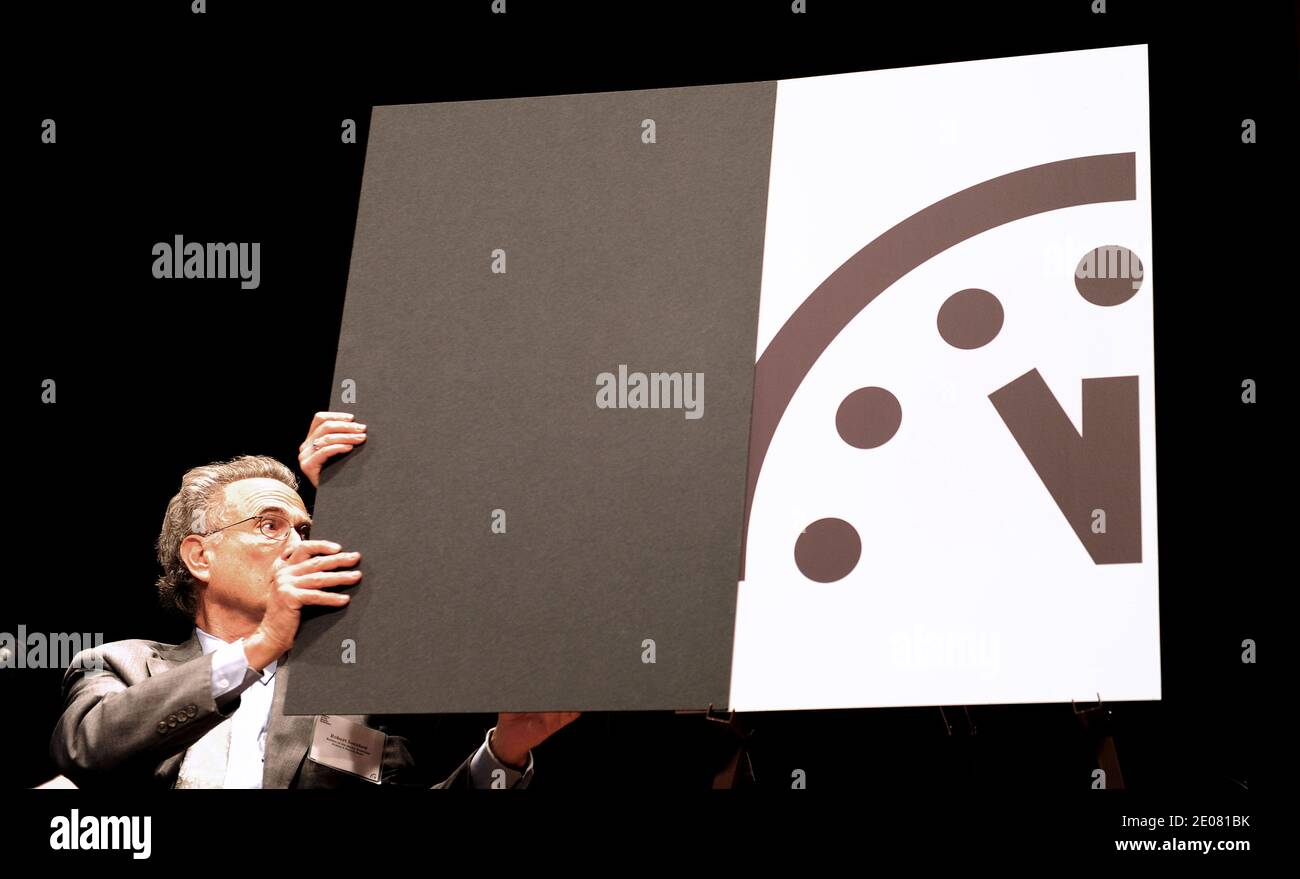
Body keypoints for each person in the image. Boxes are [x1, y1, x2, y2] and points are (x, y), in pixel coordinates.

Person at [49, 411, 579, 788]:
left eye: (305, 528)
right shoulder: (120, 663)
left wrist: (504, 755)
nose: (299, 545)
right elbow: (87, 750)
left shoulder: (348, 694)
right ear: (199, 557)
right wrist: (260, 645)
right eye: (269, 526)